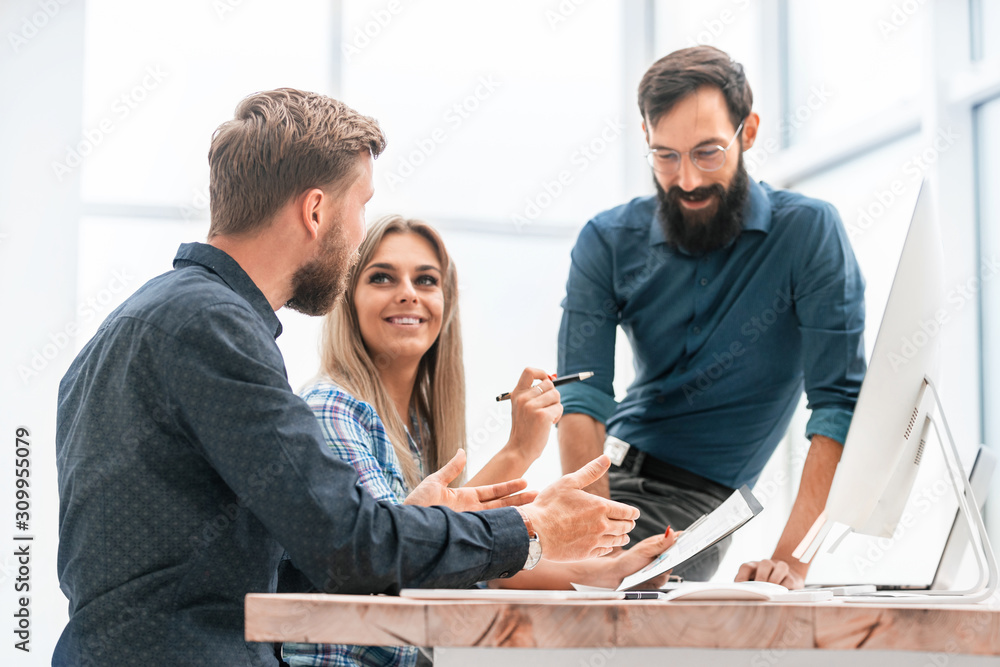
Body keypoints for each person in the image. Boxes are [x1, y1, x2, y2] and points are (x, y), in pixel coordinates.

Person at [54, 88, 642, 667]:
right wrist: (532, 528)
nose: (360, 235)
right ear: (315, 211)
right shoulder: (214, 328)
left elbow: (240, 567)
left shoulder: (141, 320)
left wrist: (412, 519)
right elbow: (347, 547)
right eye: (361, 206)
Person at [281, 215, 676, 667]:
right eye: (382, 277)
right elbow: (402, 562)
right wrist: (519, 457)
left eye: (426, 279)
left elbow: (465, 560)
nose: (408, 292)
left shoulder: (417, 427)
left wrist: (607, 571)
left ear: (446, 303)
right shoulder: (332, 409)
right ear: (347, 299)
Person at [556, 46, 866, 588]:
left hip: (693, 510)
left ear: (747, 134)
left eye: (707, 153)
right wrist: (594, 543)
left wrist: (790, 563)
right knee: (467, 562)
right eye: (665, 156)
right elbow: (581, 396)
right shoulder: (606, 240)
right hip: (601, 486)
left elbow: (838, 406)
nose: (688, 180)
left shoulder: (808, 234)